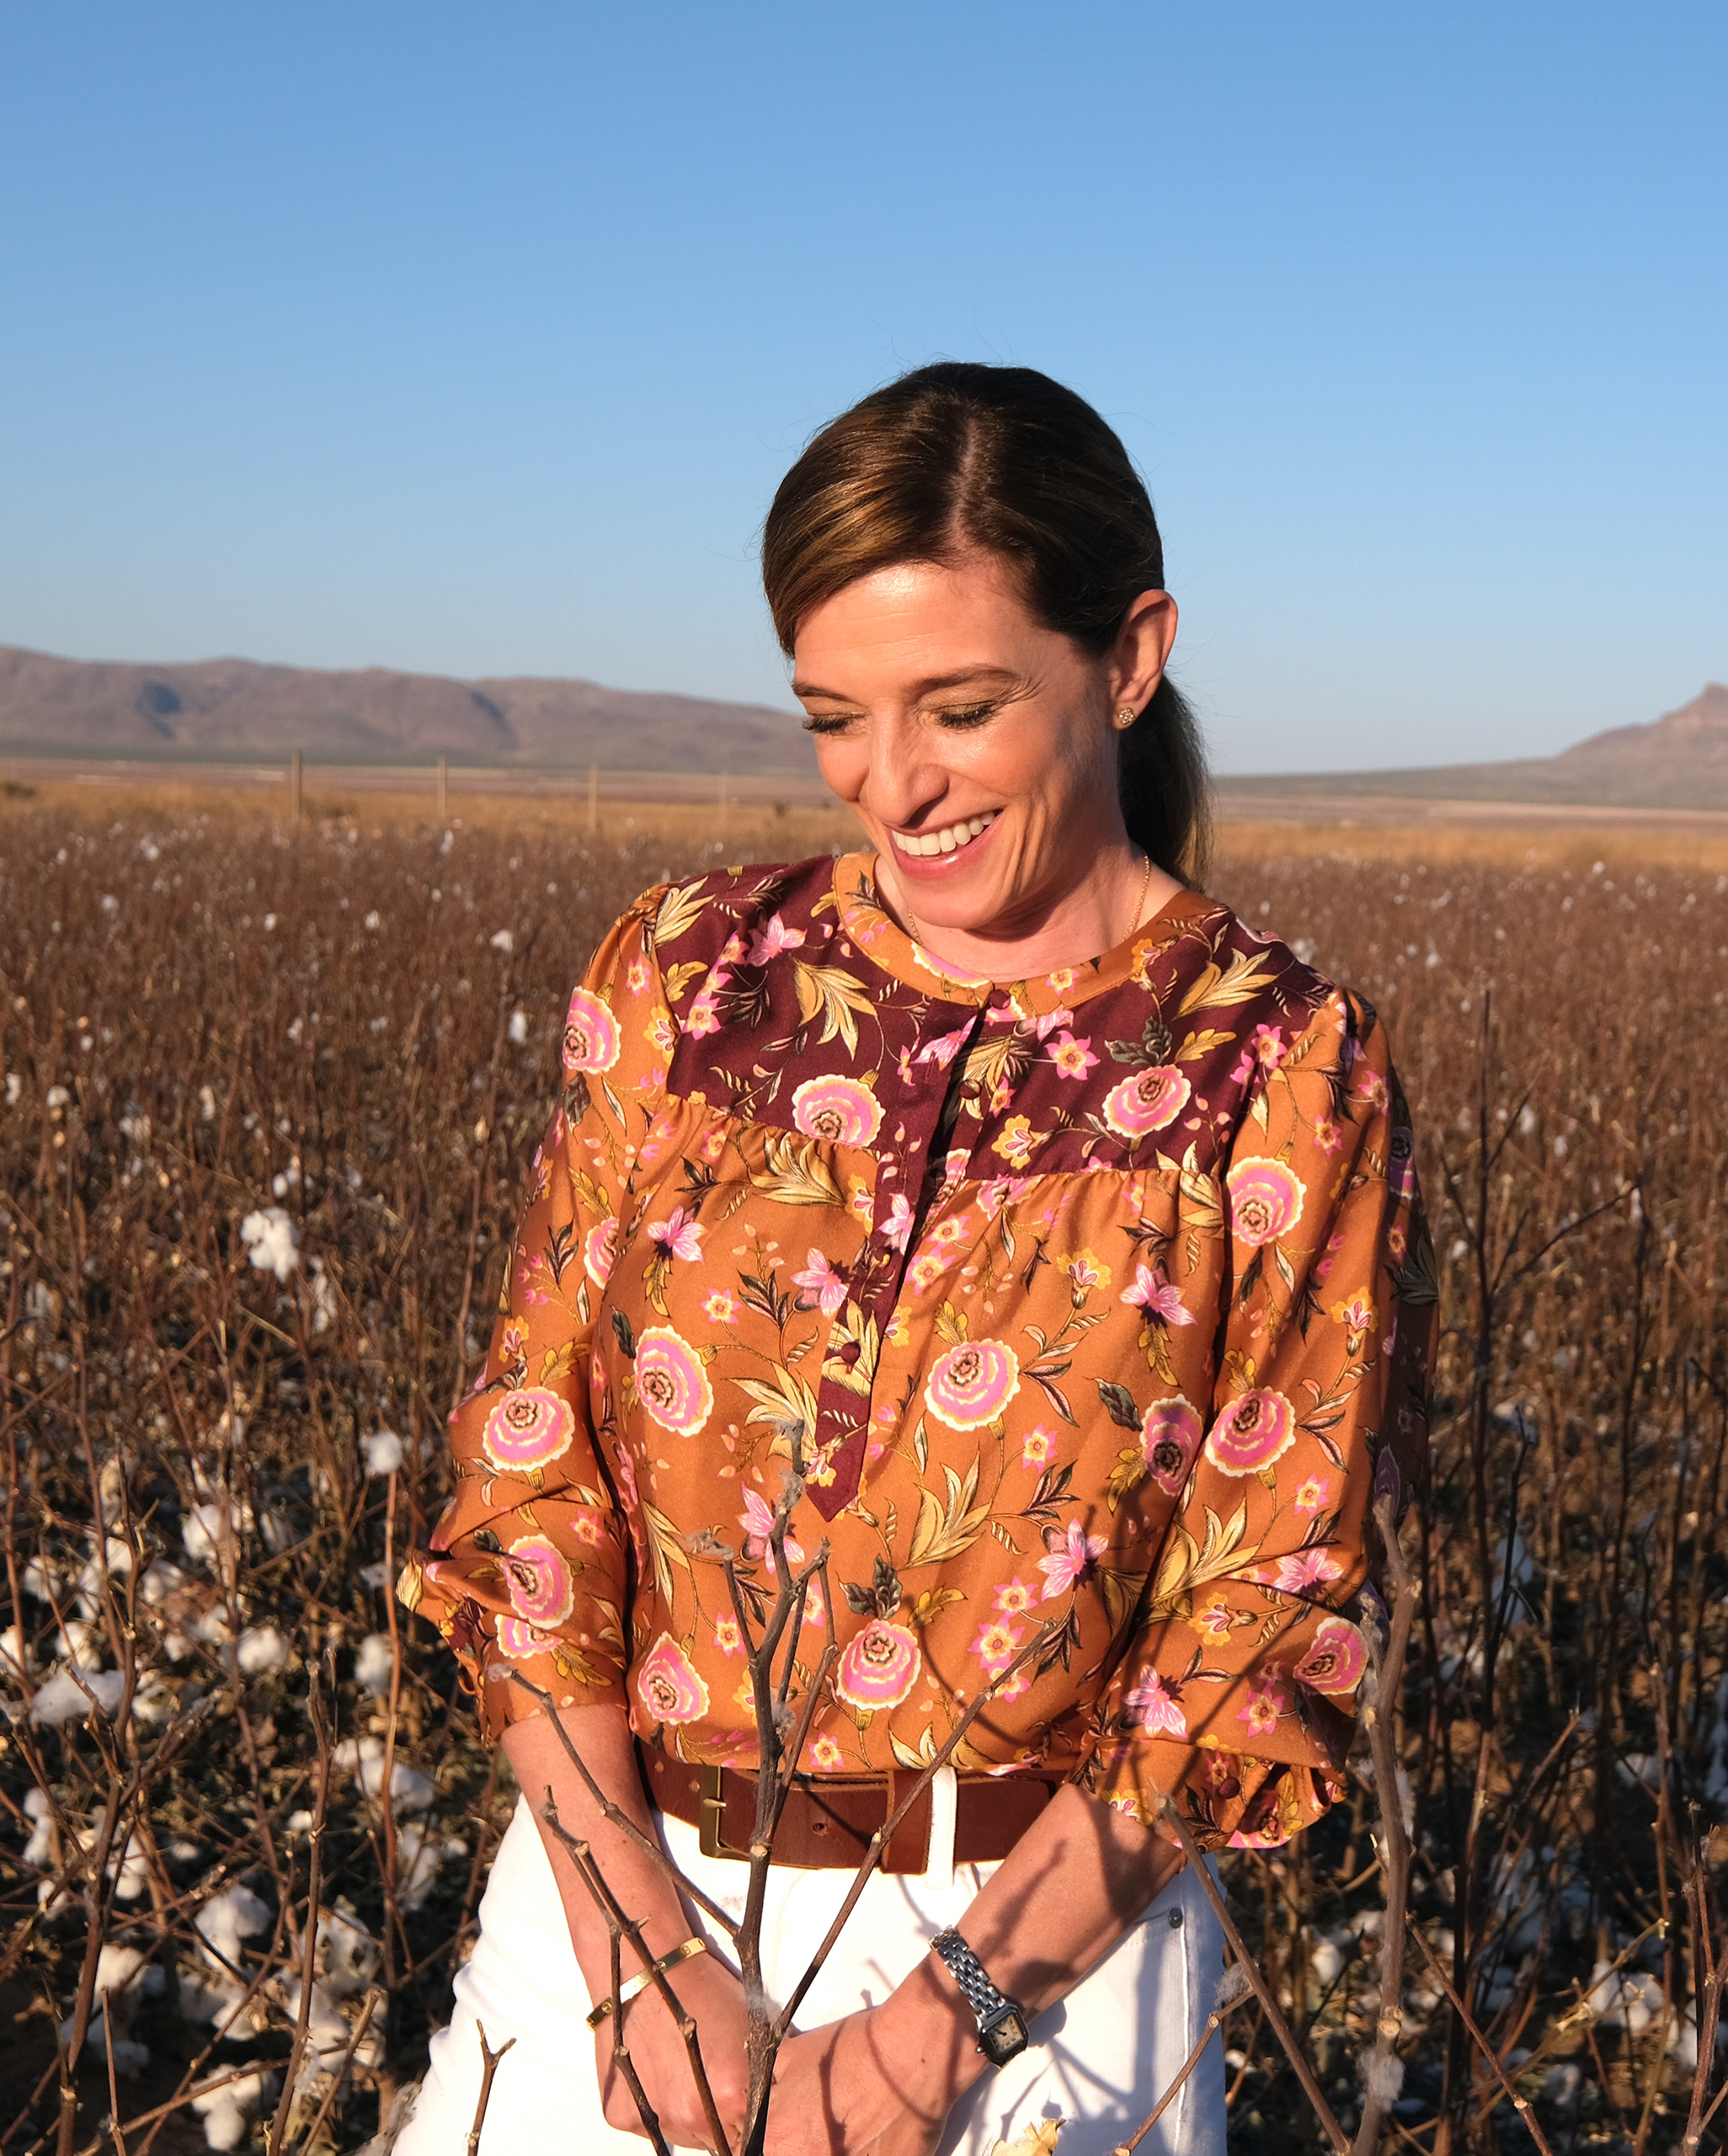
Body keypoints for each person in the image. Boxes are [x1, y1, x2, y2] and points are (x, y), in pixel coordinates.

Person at [392, 363, 1436, 2156]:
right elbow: (528, 1477)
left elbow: (1260, 1616)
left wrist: (928, 2042)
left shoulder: (1281, 1068)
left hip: (1046, 1990)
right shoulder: (688, 976)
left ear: (1129, 657)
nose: (894, 783)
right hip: (607, 1928)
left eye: (960, 707)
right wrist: (632, 1945)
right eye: (834, 717)